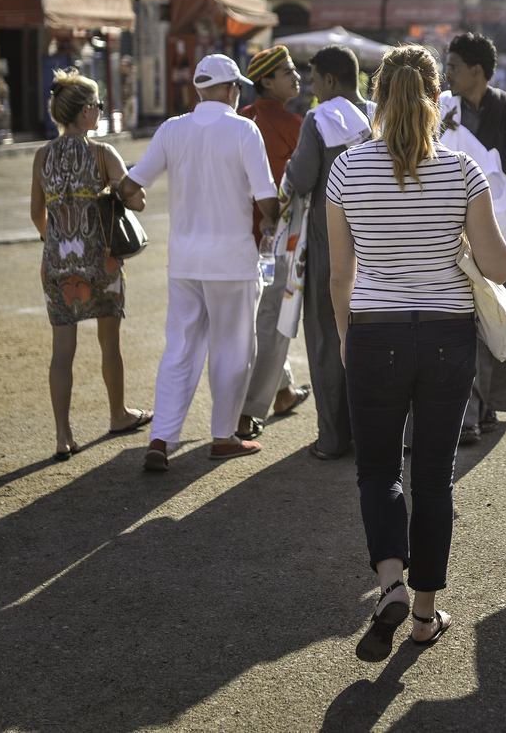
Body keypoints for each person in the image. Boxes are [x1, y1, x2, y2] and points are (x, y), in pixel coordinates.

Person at [328, 44, 506, 662]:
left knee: (378, 470)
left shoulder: (347, 170)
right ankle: (426, 615)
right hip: (446, 331)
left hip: (375, 327)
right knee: (433, 475)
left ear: (376, 100)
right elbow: (497, 267)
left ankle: (390, 585)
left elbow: (338, 273)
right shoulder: (463, 171)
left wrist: (347, 335)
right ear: (439, 101)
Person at [118, 54, 278, 470]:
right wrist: (275, 226)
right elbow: (266, 200)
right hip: (233, 261)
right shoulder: (245, 130)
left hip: (185, 261)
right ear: (229, 90)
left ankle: (161, 438)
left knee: (180, 348)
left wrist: (137, 199)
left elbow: (130, 184)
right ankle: (223, 436)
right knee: (233, 349)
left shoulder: (172, 129)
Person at [29, 70, 153, 461]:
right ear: (85, 113)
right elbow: (137, 201)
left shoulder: (42, 155)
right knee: (109, 343)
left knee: (62, 349)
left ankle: (63, 435)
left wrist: (56, 244)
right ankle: (117, 413)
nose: (100, 111)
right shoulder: (102, 153)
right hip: (102, 260)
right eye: (97, 106)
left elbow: (36, 214)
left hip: (57, 262)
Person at [442, 32, 506, 444]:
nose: (447, 73)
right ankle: (467, 409)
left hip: (503, 231)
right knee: (461, 319)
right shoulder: (445, 109)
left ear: (476, 72)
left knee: (502, 314)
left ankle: (492, 403)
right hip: (453, 227)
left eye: (453, 66)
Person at [284, 46, 375, 460]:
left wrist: (286, 171)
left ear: (333, 81)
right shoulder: (378, 113)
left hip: (330, 245)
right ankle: (376, 434)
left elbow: (302, 179)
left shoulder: (318, 120)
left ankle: (334, 438)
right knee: (376, 340)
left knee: (327, 339)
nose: (312, 90)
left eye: (315, 81)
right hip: (379, 245)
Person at [237, 44, 312, 441]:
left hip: (242, 239)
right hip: (280, 241)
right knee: (274, 324)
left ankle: (282, 391)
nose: (296, 75)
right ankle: (249, 412)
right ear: (266, 81)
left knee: (263, 320)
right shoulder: (292, 123)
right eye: (286, 71)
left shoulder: (242, 119)